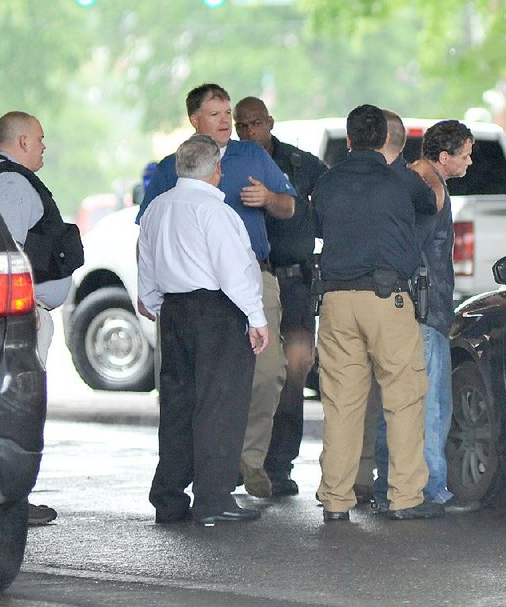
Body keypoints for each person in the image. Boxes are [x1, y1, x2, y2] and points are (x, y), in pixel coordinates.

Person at [137, 84, 295, 499]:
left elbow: (290, 206)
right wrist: (150, 293)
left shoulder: (252, 155)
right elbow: (153, 236)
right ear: (194, 121)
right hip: (208, 293)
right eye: (216, 113)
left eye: (228, 112)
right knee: (207, 395)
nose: (227, 120)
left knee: (258, 377)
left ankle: (234, 467)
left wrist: (269, 198)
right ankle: (211, 489)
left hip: (230, 286)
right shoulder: (181, 173)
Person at [313, 104, 443, 522]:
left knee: (342, 404)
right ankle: (405, 497)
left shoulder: (328, 183)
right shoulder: (400, 181)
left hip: (335, 302)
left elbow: (318, 225)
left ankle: (335, 500)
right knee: (403, 398)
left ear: (349, 139)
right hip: (388, 300)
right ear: (384, 139)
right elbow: (429, 202)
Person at [138, 134, 269, 525]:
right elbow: (234, 270)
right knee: (219, 406)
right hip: (217, 313)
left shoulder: (157, 208)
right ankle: (213, 499)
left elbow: (145, 262)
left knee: (177, 404)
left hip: (175, 311)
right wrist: (256, 317)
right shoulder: (216, 211)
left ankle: (169, 496)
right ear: (217, 170)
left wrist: (157, 302)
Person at [371, 119, 478, 514]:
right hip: (424, 309)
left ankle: (389, 486)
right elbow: (416, 251)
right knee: (431, 404)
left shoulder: (408, 182)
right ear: (444, 157)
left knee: (395, 403)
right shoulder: (427, 187)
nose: (469, 162)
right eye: (464, 155)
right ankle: (431, 487)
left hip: (402, 307)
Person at [0, 111, 80, 526]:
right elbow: (8, 252)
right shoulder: (15, 185)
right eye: (39, 139)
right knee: (20, 410)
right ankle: (12, 500)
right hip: (22, 316)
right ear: (21, 143)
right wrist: (23, 306)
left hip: (14, 314)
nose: (43, 147)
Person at [233, 96, 328, 497]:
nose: (249, 131)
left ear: (270, 122)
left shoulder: (302, 165)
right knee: (249, 374)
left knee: (294, 372)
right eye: (242, 125)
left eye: (255, 123)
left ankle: (279, 464)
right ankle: (242, 460)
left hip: (295, 282)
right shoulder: (230, 163)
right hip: (245, 281)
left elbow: (330, 209)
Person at [356, 110, 444, 502]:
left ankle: (369, 487)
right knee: (407, 397)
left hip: (347, 296)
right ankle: (412, 492)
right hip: (400, 300)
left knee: (362, 399)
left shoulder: (344, 181)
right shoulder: (407, 182)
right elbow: (421, 232)